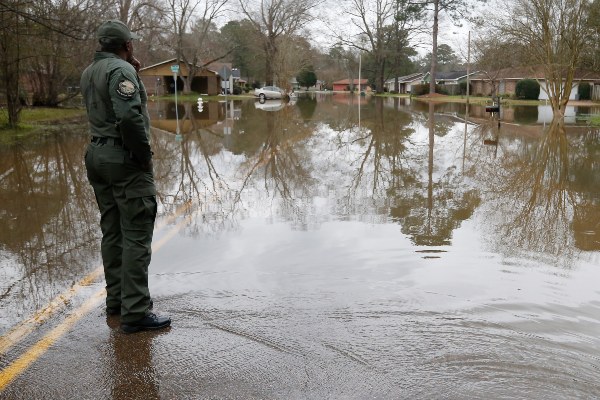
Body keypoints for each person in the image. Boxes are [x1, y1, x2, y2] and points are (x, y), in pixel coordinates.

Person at [80, 20, 171, 334]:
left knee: (113, 230)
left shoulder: (90, 71)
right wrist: (143, 155)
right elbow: (129, 117)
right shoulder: (121, 72)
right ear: (127, 45)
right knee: (136, 232)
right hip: (123, 157)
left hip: (97, 154)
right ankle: (135, 311)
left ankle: (117, 302)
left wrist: (128, 66)